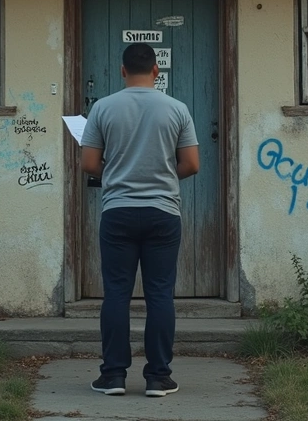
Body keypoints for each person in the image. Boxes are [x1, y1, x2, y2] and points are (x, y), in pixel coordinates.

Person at [80, 42, 200, 398]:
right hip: (163, 212)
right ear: (155, 72)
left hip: (117, 212)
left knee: (116, 293)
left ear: (122, 70)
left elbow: (88, 164)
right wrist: (160, 176)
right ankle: (158, 378)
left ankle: (113, 376)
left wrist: (118, 174)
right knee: (160, 294)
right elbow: (192, 164)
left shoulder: (103, 107)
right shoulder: (177, 108)